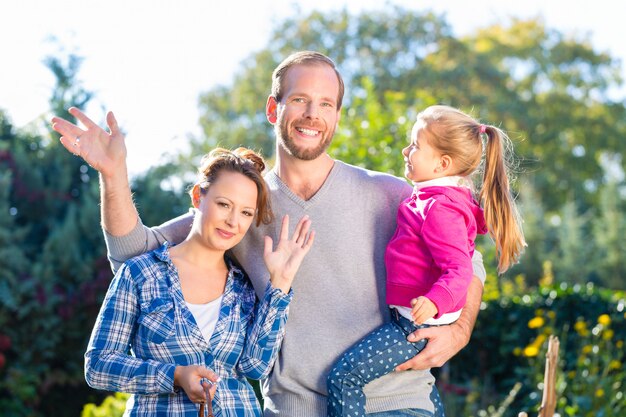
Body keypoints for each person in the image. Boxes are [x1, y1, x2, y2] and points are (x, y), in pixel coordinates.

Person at [51, 51, 487, 417]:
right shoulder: (242, 207)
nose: (313, 114)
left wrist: (460, 327)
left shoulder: (390, 194)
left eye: (326, 103)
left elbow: (468, 260)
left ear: (336, 115)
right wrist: (113, 174)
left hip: (395, 402)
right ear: (274, 109)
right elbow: (134, 255)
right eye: (300, 99)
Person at [78, 146, 315, 416]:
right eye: (224, 204)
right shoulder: (140, 274)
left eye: (246, 213)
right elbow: (98, 366)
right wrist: (175, 375)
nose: (232, 222)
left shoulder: (243, 288)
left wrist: (280, 283)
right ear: (197, 197)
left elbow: (255, 366)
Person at [326, 105, 526, 417]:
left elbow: (460, 267)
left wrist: (435, 301)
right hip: (412, 316)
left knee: (344, 377)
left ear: (442, 163)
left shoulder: (439, 209)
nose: (407, 150)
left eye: (416, 145)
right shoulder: (434, 199)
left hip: (414, 323)